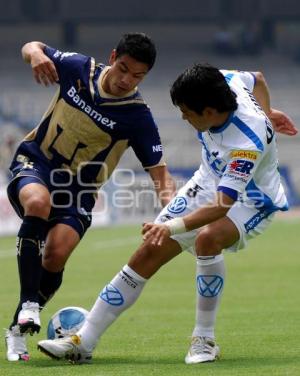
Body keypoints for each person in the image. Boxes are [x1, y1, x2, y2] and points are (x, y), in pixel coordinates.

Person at [37, 64, 297, 364]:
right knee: (150, 248)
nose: (183, 117)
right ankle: (84, 341)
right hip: (208, 180)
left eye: (188, 111)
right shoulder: (225, 80)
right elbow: (260, 78)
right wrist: (269, 112)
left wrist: (172, 227)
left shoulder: (247, 142)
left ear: (210, 111)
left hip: (253, 199)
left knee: (208, 240)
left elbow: (222, 206)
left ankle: (204, 340)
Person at [5, 33, 176, 362]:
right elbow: (32, 46)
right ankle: (29, 304)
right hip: (36, 163)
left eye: (137, 75)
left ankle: (16, 331)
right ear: (113, 56)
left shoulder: (138, 117)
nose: (127, 80)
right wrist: (35, 56)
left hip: (80, 192)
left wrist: (172, 216)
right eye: (123, 68)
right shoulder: (77, 67)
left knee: (55, 256)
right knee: (38, 203)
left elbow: (160, 174)